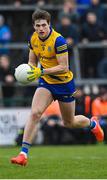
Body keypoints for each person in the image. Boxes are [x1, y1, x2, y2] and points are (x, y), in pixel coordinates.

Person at [11, 9, 104, 166]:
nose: (41, 29)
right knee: (35, 113)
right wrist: (29, 71)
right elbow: (32, 61)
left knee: (69, 122)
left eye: (44, 25)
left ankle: (92, 123)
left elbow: (64, 67)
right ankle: (23, 154)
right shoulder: (33, 39)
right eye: (38, 25)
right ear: (34, 26)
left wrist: (40, 71)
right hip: (46, 82)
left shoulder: (58, 40)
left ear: (49, 24)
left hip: (64, 84)